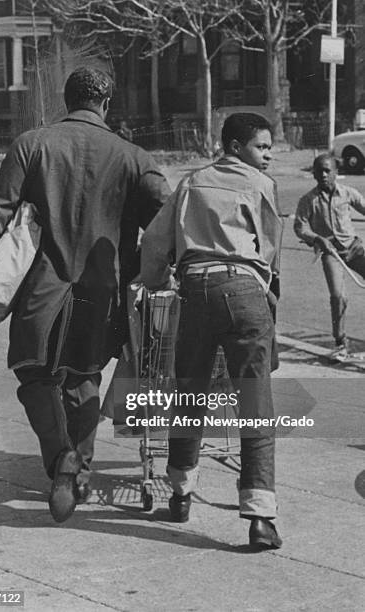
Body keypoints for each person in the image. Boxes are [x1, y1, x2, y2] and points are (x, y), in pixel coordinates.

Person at [0, 67, 170, 523]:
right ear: (106, 103)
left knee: (34, 375)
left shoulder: (32, 144)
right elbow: (164, 221)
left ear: (65, 99)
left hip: (41, 287)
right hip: (103, 289)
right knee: (83, 376)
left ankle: (60, 460)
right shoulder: (134, 157)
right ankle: (82, 471)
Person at [141, 112, 283, 549]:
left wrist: (155, 281)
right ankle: (260, 516)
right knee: (254, 401)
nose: (269, 156)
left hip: (195, 289)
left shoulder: (190, 182)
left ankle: (181, 492)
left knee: (190, 394)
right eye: (262, 147)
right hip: (243, 291)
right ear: (237, 147)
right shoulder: (259, 186)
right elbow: (271, 253)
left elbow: (154, 242)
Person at [294, 153, 365, 360]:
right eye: (319, 171)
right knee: (338, 296)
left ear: (336, 172)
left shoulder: (347, 193)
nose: (324, 175)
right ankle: (341, 342)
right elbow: (300, 226)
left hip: (354, 248)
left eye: (328, 170)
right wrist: (316, 238)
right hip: (331, 253)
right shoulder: (308, 200)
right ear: (314, 174)